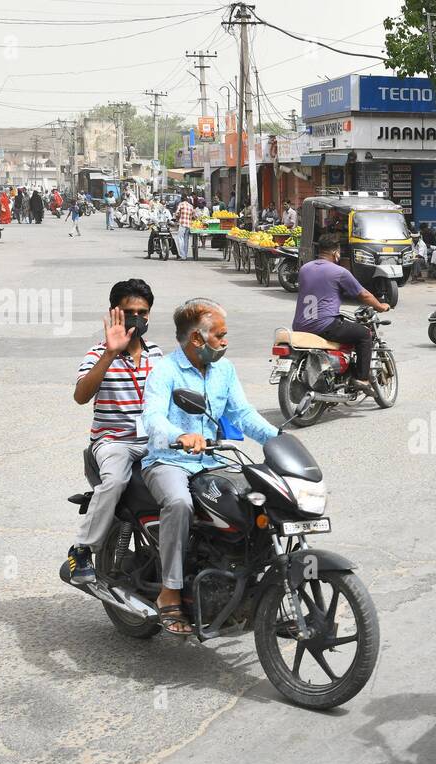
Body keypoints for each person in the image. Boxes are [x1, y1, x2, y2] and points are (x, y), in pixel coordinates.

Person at [141, 298, 277, 634]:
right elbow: (153, 418)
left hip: (211, 462)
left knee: (256, 500)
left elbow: (241, 414)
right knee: (179, 503)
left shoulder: (224, 371)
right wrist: (180, 434)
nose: (225, 341)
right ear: (196, 340)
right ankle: (170, 592)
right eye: (220, 335)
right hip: (168, 460)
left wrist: (277, 439)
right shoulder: (165, 372)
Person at [63, 280, 165, 585]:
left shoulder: (157, 355)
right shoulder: (97, 354)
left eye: (142, 312)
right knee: (115, 481)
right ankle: (81, 550)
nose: (137, 318)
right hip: (114, 441)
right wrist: (110, 353)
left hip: (154, 441)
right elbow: (81, 396)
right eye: (129, 311)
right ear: (114, 313)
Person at [291, 232, 390, 392]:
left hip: (300, 324)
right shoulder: (339, 272)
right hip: (324, 325)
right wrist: (380, 306)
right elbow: (363, 294)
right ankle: (362, 380)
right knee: (364, 335)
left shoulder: (304, 269)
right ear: (335, 252)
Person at [174, 194, 195, 259]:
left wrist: (177, 218)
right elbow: (194, 216)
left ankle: (182, 255)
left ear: (182, 199)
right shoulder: (191, 206)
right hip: (189, 224)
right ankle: (185, 255)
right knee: (186, 239)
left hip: (182, 223)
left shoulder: (181, 204)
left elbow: (177, 213)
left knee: (180, 238)